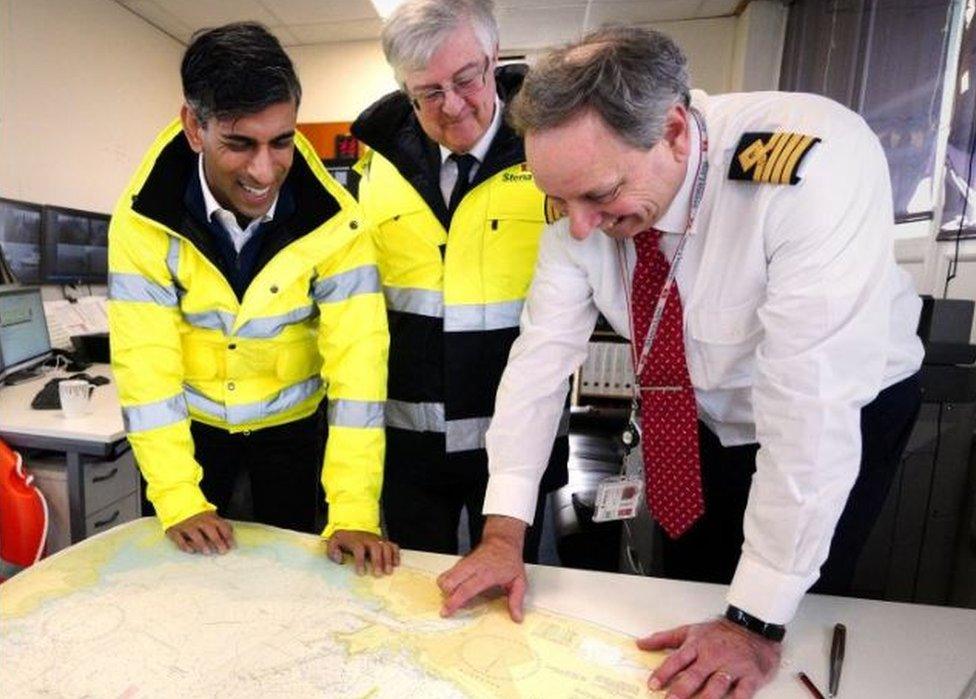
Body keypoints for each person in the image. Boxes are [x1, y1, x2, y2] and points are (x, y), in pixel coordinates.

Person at [437, 26, 924, 697]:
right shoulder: (582, 201)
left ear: (671, 132)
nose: (578, 226)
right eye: (561, 202)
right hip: (692, 407)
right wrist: (501, 531)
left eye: (599, 196)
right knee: (693, 592)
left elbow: (808, 411)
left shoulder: (808, 165)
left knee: (785, 611)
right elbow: (537, 366)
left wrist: (754, 621)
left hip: (843, 407)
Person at [108, 22, 398, 575]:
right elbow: (147, 371)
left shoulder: (338, 221)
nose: (265, 171)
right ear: (194, 126)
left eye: (281, 141)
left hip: (291, 440)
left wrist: (355, 509)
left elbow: (359, 371)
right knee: (184, 592)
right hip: (191, 439)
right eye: (239, 144)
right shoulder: (141, 223)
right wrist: (176, 496)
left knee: (293, 588)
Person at [349, 0, 568, 560]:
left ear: (494, 58)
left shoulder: (553, 150)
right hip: (409, 446)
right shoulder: (374, 167)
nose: (450, 105)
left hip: (515, 440)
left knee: (516, 597)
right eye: (427, 92)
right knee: (412, 597)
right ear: (405, 89)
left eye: (466, 79)